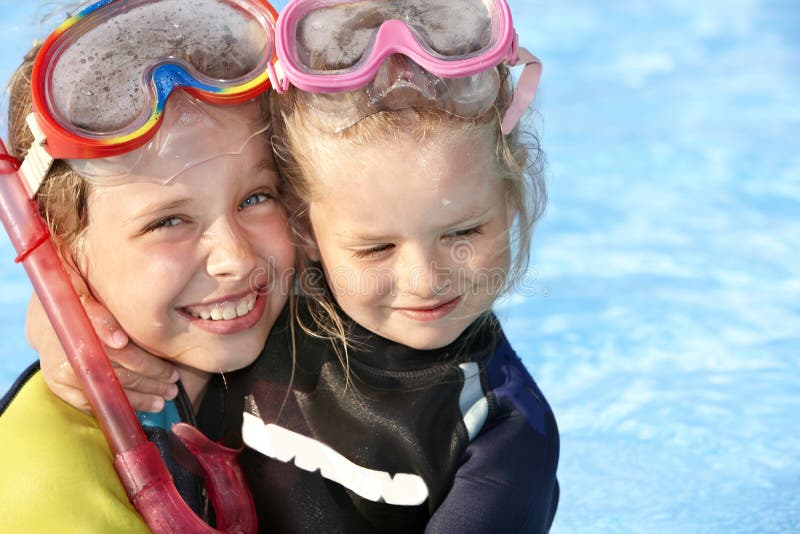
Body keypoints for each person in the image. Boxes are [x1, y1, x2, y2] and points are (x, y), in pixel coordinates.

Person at [30, 0, 560, 531]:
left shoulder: (503, 435)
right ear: (305, 230)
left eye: (464, 232)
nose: (425, 280)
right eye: (375, 248)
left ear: (512, 206)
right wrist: (57, 319)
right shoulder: (258, 316)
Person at [0, 0, 293, 531]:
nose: (235, 259)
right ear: (63, 248)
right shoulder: (46, 494)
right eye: (167, 222)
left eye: (256, 198)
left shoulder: (301, 323)